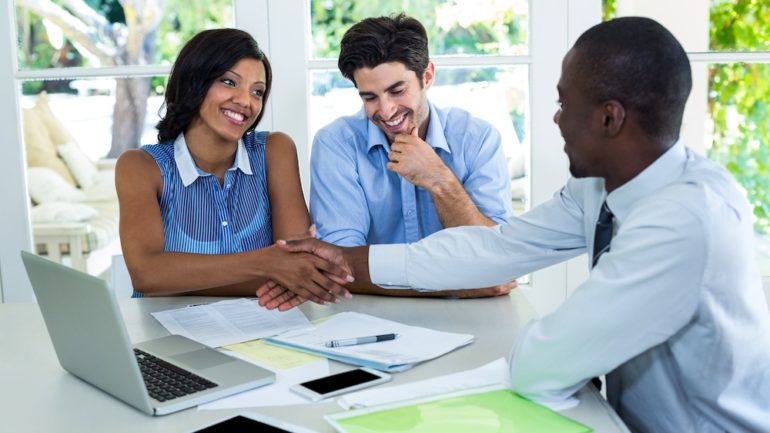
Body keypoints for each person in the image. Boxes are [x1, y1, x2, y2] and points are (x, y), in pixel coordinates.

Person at [263, 17, 770, 433]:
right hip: (624, 418)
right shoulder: (598, 188)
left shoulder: (683, 219)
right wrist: (343, 260)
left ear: (610, 119)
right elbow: (497, 248)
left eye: (563, 103)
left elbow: (538, 365)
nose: (554, 120)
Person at [115, 28, 351, 304]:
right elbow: (147, 275)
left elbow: (298, 270)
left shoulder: (275, 151)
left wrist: (180, 278)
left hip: (264, 330)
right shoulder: (141, 167)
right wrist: (267, 262)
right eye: (229, 82)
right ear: (194, 82)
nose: (245, 101)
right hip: (165, 335)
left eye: (257, 92)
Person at [309, 14, 516, 297]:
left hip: (472, 312)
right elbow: (338, 266)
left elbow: (498, 259)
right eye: (369, 97)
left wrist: (440, 180)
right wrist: (450, 286)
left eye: (397, 90)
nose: (386, 110)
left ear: (427, 76)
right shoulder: (336, 144)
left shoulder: (478, 139)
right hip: (370, 312)